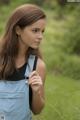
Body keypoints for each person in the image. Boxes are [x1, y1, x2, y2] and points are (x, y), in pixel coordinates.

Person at [0, 4, 46, 120]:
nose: (40, 36)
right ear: (18, 30)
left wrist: (36, 92)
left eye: (42, 31)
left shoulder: (38, 66)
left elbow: (37, 110)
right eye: (35, 30)